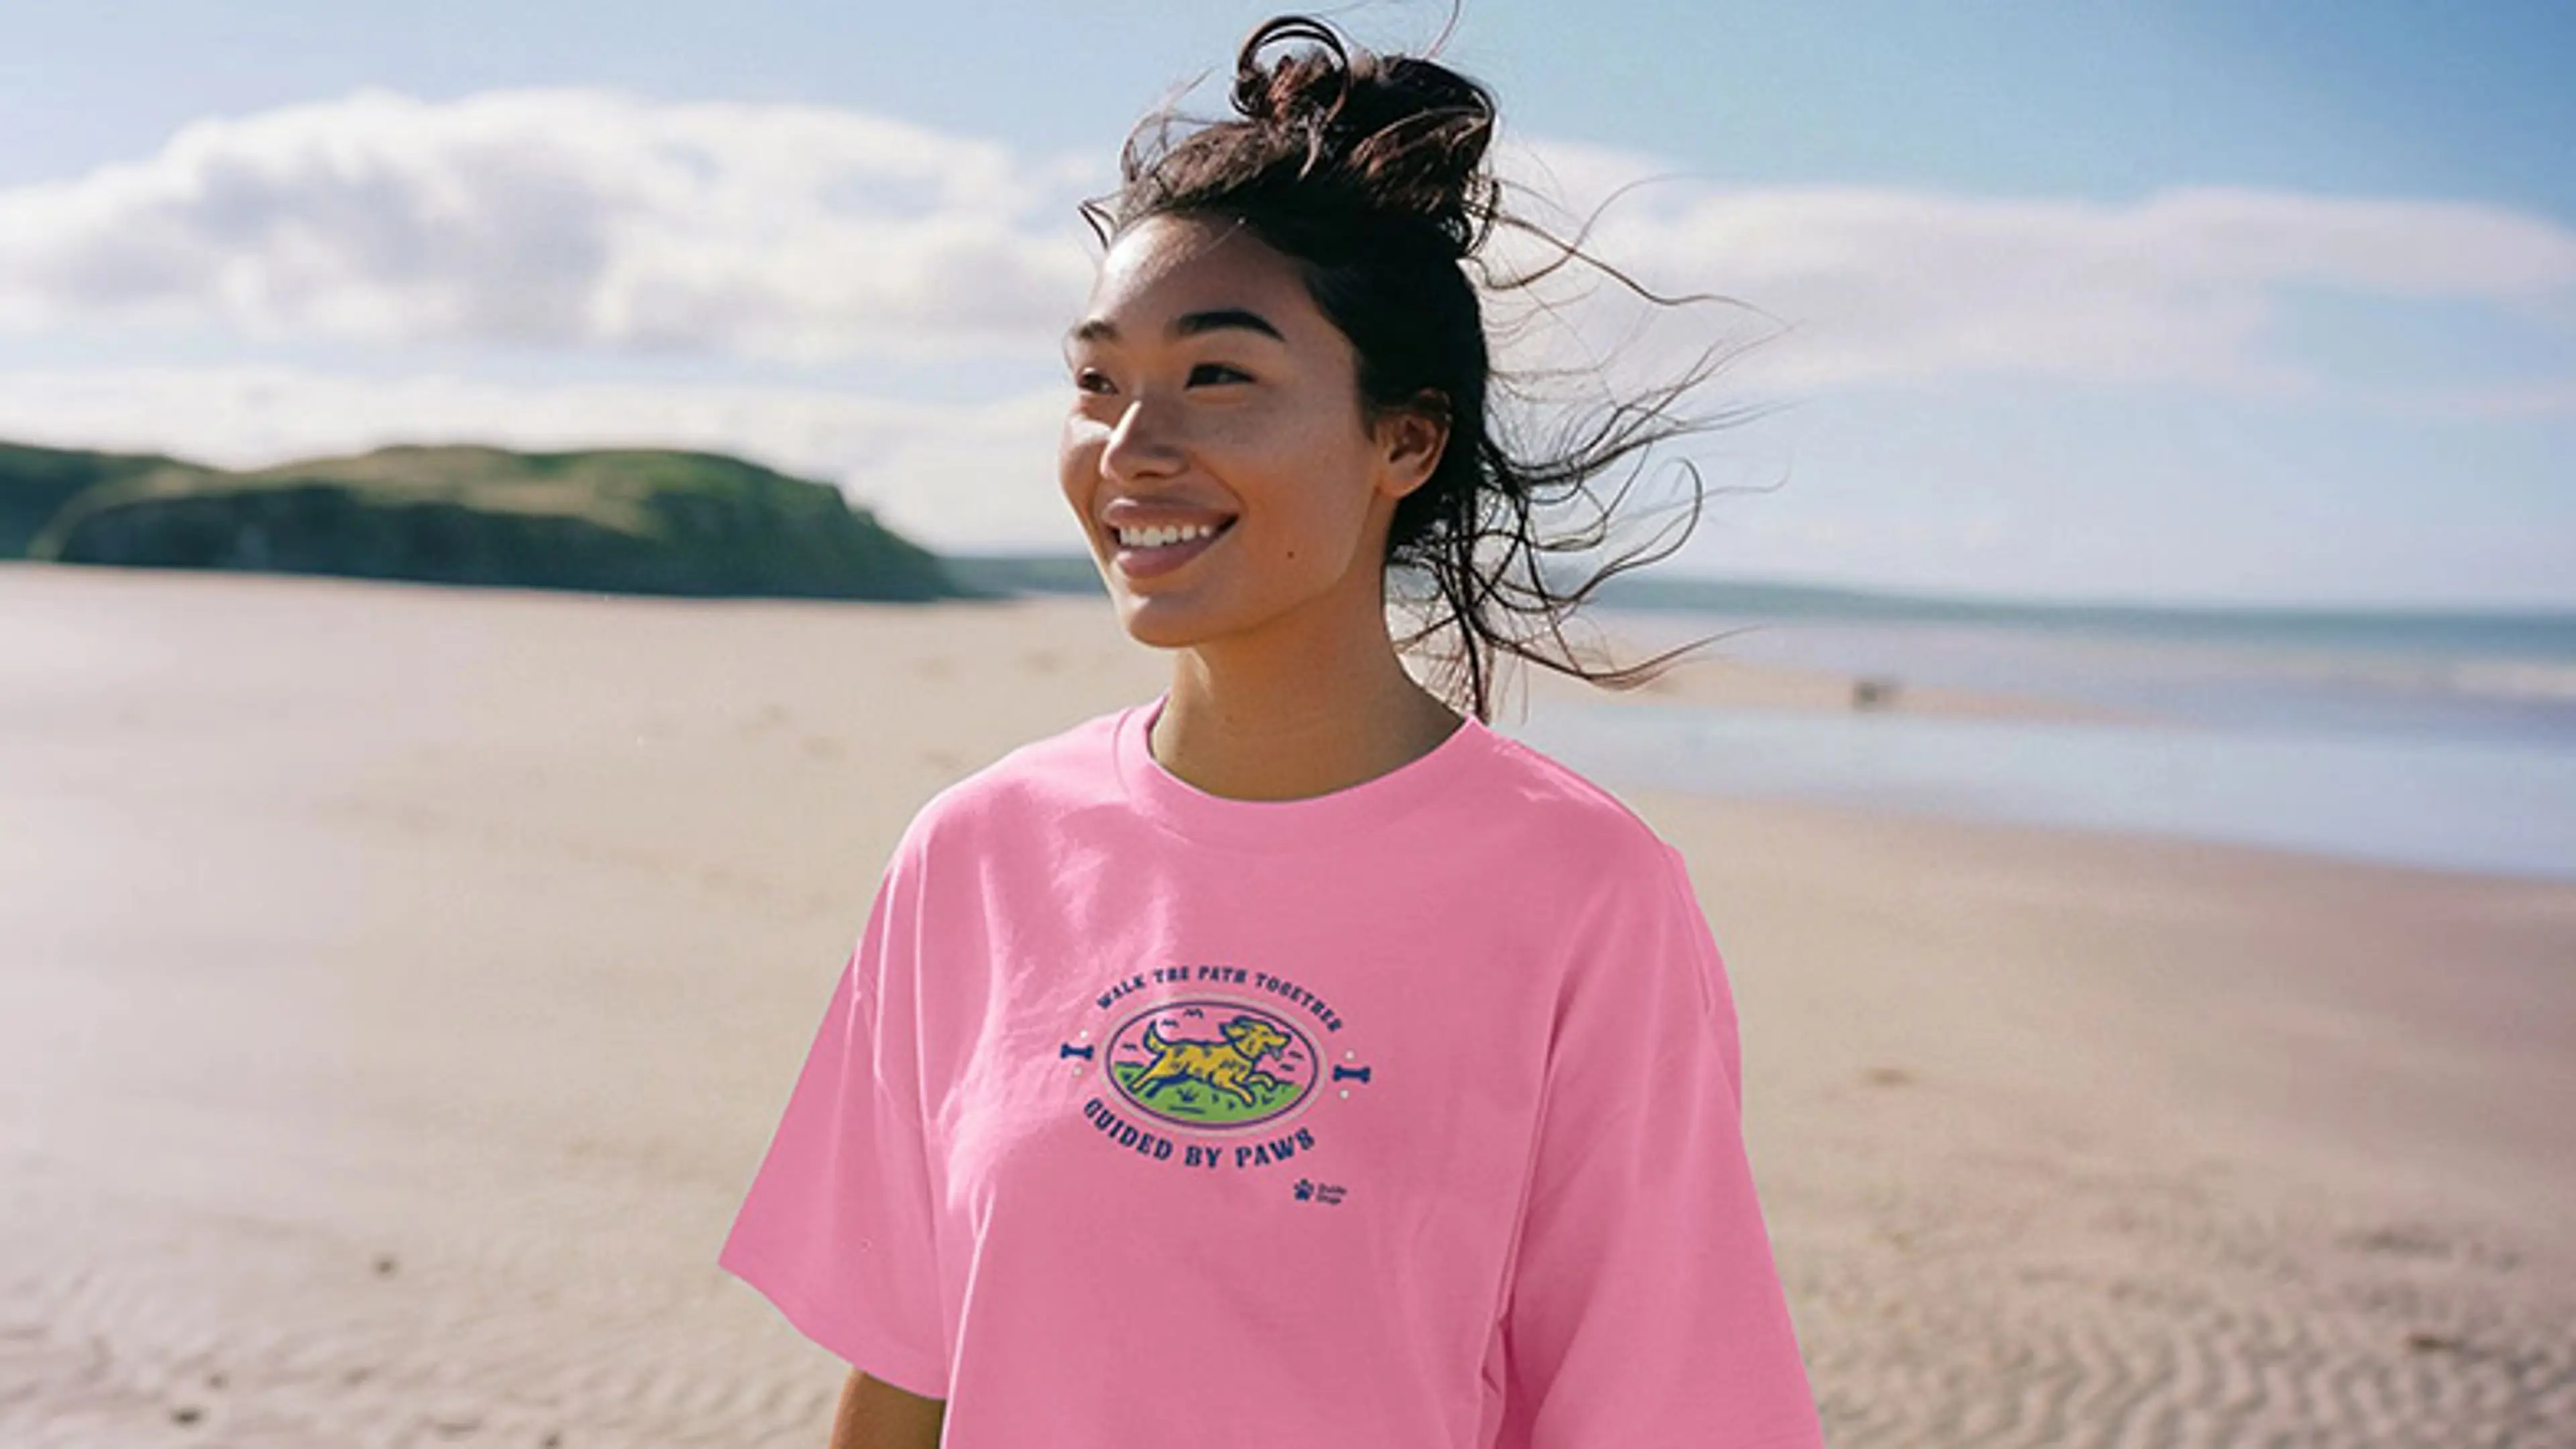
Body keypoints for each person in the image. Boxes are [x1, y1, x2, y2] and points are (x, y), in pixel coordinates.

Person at [717, 12, 1827, 1448]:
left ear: (1404, 440)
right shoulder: (980, 854)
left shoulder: (1584, 897)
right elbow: (908, 1368)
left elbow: (1655, 1407)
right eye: (1098, 381)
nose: (1131, 450)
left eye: (1219, 376)